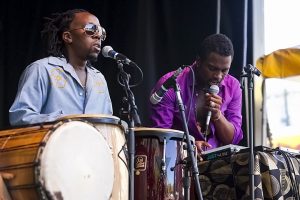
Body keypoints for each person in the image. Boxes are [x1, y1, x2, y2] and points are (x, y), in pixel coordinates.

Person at [9, 9, 113, 126]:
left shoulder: (100, 79)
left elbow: (107, 125)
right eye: (91, 29)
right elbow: (20, 117)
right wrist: (65, 121)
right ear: (68, 37)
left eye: (101, 32)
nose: (98, 35)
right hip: (52, 144)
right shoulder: (42, 70)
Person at [149, 33, 243, 152]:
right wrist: (189, 146)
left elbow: (232, 139)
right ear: (198, 61)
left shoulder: (233, 86)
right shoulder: (170, 85)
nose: (218, 76)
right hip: (178, 163)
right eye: (212, 68)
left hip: (216, 165)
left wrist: (217, 116)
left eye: (224, 70)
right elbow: (160, 137)